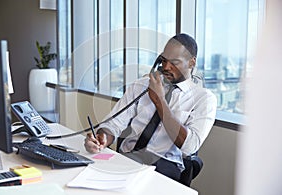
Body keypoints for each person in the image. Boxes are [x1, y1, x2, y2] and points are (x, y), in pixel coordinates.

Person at [84, 33, 217, 184]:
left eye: (175, 62)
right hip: (129, 159)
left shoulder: (204, 99)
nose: (166, 67)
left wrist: (159, 100)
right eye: (164, 60)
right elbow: (113, 124)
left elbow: (189, 146)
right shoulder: (141, 86)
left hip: (165, 168)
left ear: (191, 63)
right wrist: (103, 138)